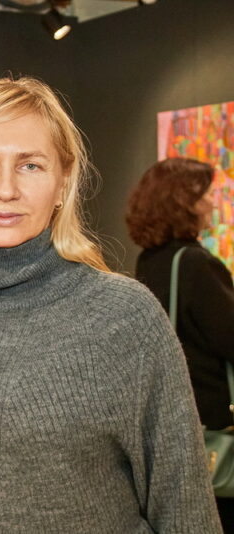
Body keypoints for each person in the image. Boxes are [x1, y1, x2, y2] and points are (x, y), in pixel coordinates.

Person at [0, 77, 221, 532]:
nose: (6, 189)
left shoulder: (123, 316)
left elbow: (185, 506)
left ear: (64, 181)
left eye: (30, 165)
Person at [126, 157, 234, 531]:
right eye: (205, 195)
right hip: (212, 423)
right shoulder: (196, 264)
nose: (212, 203)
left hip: (175, 420)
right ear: (183, 202)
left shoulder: (150, 260)